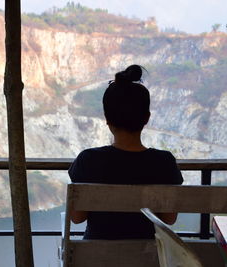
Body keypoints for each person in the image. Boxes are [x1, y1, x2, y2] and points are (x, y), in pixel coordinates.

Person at [68, 64, 183, 240]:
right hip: (147, 258)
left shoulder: (88, 159)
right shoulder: (164, 161)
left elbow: (77, 218)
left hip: (97, 258)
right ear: (146, 118)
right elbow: (169, 218)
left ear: (107, 119)